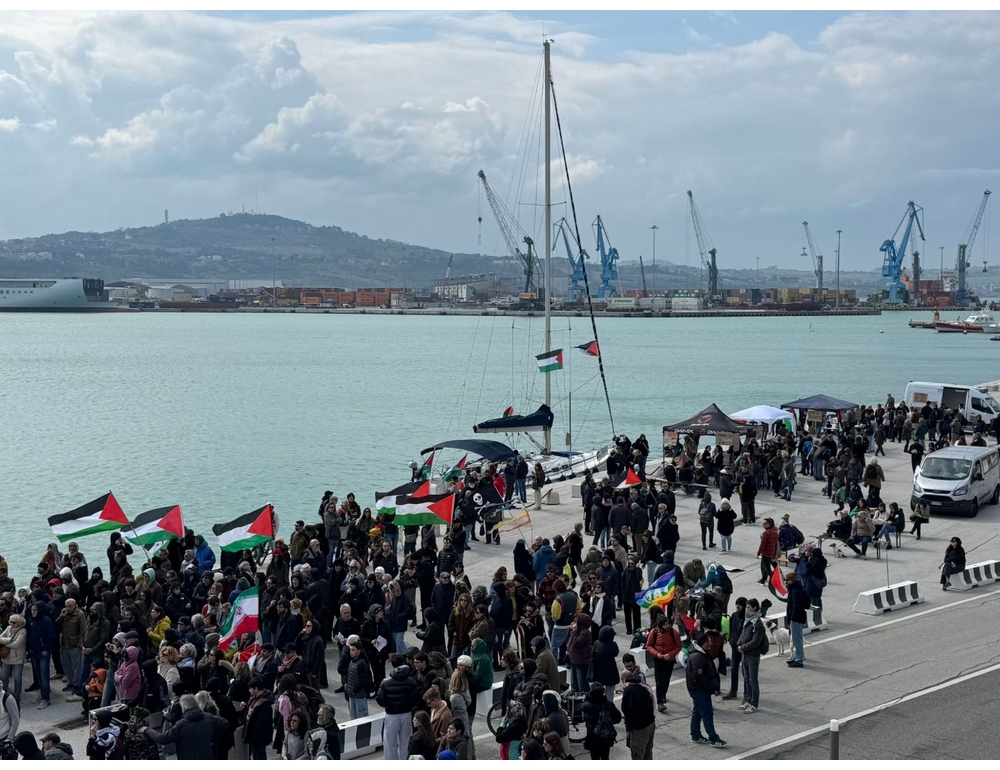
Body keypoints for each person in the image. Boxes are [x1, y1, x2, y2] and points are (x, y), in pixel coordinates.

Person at [141, 693, 230, 760]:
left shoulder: (181, 725)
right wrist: (213, 738)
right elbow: (225, 723)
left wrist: (147, 729)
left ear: (183, 708)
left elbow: (162, 738)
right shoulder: (209, 717)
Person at [686, 632, 727, 748]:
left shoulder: (701, 654)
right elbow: (698, 677)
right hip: (700, 690)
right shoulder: (698, 657)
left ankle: (695, 734)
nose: (711, 644)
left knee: (697, 711)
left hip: (699, 690)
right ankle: (713, 738)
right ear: (704, 644)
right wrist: (708, 686)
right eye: (709, 642)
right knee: (707, 713)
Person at [377, 653, 419, 760]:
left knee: (390, 744)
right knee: (405, 742)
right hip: (406, 713)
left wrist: (387, 705)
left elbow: (380, 699)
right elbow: (416, 697)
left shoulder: (386, 682)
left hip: (391, 714)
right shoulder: (411, 681)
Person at [644, 614, 682, 713]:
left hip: (669, 660)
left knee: (666, 678)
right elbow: (649, 645)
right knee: (659, 680)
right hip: (658, 659)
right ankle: (660, 701)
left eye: (668, 624)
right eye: (665, 624)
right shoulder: (654, 632)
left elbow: (678, 646)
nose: (667, 626)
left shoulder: (674, 633)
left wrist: (670, 655)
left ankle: (663, 693)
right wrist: (657, 654)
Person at [736, 598, 766, 712]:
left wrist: (743, 647)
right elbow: (743, 634)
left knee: (753, 680)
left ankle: (754, 704)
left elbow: (755, 642)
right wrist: (738, 644)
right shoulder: (748, 620)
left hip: (752, 655)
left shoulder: (757, 624)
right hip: (745, 654)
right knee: (746, 679)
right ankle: (748, 700)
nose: (746, 610)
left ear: (755, 608)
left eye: (749, 607)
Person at [582, 681, 621, 760]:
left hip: (592, 736)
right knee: (605, 757)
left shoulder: (587, 705)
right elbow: (618, 718)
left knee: (595, 758)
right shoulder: (608, 704)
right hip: (605, 735)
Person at [621, 671, 655, 759]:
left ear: (624, 680)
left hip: (639, 729)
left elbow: (626, 708)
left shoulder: (629, 690)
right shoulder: (642, 685)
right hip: (650, 723)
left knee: (638, 755)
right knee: (647, 754)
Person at [243, 677, 274, 760]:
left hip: (259, 737)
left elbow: (262, 723)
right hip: (253, 735)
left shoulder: (264, 704)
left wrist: (254, 736)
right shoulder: (254, 698)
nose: (249, 691)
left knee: (259, 755)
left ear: (256, 689)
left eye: (250, 688)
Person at [0, 614, 27, 704]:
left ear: (19, 623)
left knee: (17, 678)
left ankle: (17, 694)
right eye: (10, 622)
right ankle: (4, 694)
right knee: (4, 677)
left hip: (17, 658)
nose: (11, 624)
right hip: (6, 657)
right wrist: (9, 640)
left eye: (13, 622)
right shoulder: (8, 628)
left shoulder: (23, 631)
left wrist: (4, 643)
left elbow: (17, 644)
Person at [785, 572, 809, 668]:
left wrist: (792, 618)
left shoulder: (795, 591)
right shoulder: (798, 588)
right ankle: (797, 657)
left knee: (797, 640)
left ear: (791, 581)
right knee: (796, 640)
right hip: (799, 617)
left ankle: (799, 660)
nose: (785, 582)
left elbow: (796, 606)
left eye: (787, 580)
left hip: (796, 618)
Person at [346, 639, 374, 718]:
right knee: (353, 716)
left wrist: (355, 690)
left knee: (362, 716)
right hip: (352, 694)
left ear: (359, 650)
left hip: (359, 695)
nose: (351, 652)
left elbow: (363, 679)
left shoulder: (362, 663)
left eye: (353, 650)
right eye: (350, 650)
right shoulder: (352, 661)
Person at [756, 519, 779, 584]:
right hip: (772, 552)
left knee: (767, 568)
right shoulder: (775, 532)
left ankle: (774, 581)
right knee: (766, 566)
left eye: (765, 523)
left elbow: (762, 544)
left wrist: (758, 553)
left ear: (769, 524)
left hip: (766, 553)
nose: (763, 524)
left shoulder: (766, 533)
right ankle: (763, 579)